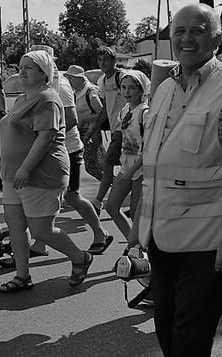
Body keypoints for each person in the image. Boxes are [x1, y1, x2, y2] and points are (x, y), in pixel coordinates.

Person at [128, 4, 222, 357]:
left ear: (217, 39)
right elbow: (155, 169)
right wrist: (137, 228)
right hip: (161, 239)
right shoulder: (162, 91)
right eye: (179, 31)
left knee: (190, 340)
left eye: (197, 30)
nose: (186, 38)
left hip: (211, 243)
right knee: (166, 330)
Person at [0, 50, 92, 293]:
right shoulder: (22, 98)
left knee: (40, 230)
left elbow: (46, 136)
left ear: (44, 73)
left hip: (39, 175)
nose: (22, 70)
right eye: (21, 66)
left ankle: (80, 257)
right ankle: (22, 276)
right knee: (17, 228)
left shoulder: (47, 99)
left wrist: (25, 168)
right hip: (12, 175)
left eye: (30, 67)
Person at [30, 61, 112, 257]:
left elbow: (72, 119)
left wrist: (46, 134)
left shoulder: (63, 86)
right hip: (52, 150)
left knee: (71, 196)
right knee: (51, 197)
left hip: (68, 150)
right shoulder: (45, 86)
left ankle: (100, 234)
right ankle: (40, 243)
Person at [105, 70, 150, 242]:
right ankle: (133, 243)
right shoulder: (125, 110)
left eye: (132, 88)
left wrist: (132, 171)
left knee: (136, 213)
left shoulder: (144, 113)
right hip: (126, 164)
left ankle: (138, 248)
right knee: (112, 206)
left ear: (141, 90)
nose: (127, 92)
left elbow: (148, 148)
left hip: (140, 167)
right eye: (123, 87)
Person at [86, 46, 127, 215]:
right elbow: (105, 108)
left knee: (109, 162)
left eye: (106, 59)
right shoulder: (103, 81)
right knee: (126, 165)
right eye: (100, 60)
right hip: (115, 129)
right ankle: (137, 198)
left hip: (126, 128)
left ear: (114, 61)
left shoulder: (122, 77)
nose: (102, 63)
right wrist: (93, 128)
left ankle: (98, 201)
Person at [64, 65, 106, 182]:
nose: (69, 81)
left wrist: (83, 119)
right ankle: (112, 183)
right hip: (84, 133)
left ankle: (113, 183)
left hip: (90, 133)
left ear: (80, 78)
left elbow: (101, 112)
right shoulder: (78, 92)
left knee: (93, 166)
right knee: (94, 165)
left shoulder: (90, 92)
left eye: (71, 78)